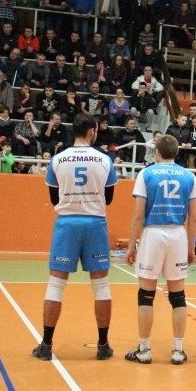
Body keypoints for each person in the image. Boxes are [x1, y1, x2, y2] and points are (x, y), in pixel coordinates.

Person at [32, 113, 118, 361]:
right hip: (95, 223)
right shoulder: (104, 160)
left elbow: (54, 198)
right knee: (101, 285)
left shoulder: (58, 159)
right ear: (92, 131)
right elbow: (109, 199)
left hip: (67, 223)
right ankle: (103, 345)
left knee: (56, 284)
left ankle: (46, 345)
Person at [123, 134, 196, 365]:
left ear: (156, 152)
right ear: (177, 152)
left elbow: (138, 214)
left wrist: (131, 245)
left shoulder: (146, 174)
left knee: (146, 294)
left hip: (153, 233)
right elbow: (194, 218)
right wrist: (191, 247)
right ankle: (178, 350)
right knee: (178, 296)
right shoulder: (189, 176)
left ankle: (144, 349)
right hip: (177, 234)